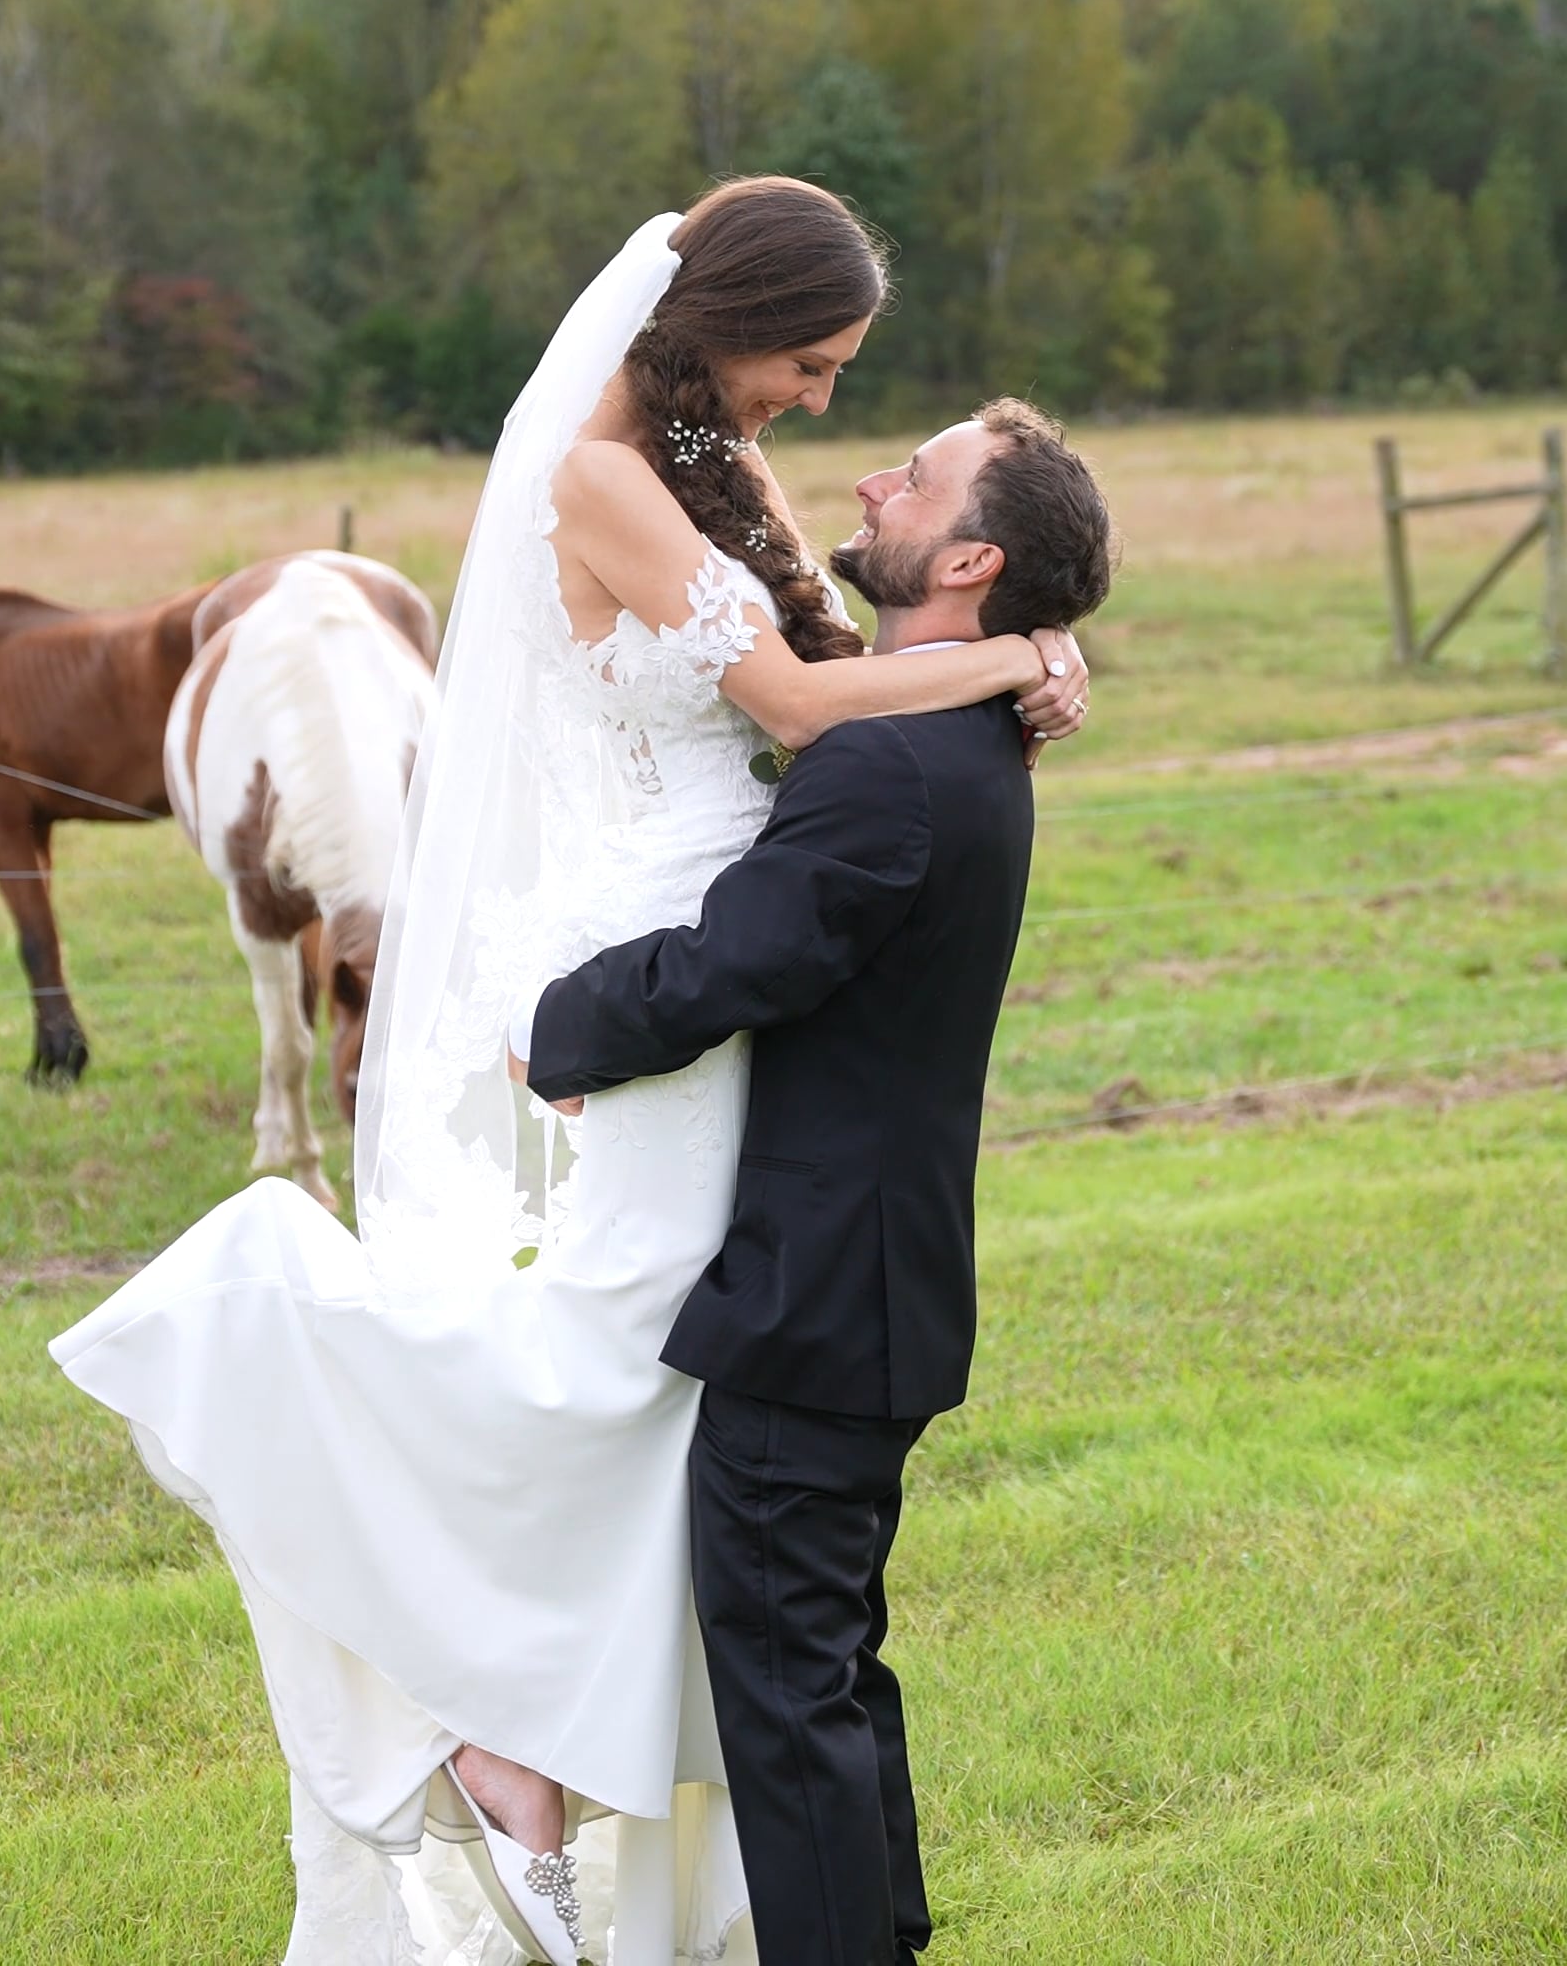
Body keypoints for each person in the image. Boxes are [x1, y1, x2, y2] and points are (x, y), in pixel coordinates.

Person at [49, 178, 1100, 1965]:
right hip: (658, 950)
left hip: (730, 937)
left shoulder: (722, 471)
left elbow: (847, 664)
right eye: (813, 362)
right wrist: (1008, 650)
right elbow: (786, 707)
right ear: (736, 319)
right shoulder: (604, 473)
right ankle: (461, 1666)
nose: (823, 410)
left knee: (671, 1382)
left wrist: (1013, 658)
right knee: (621, 1345)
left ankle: (534, 1750)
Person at [514, 393, 1118, 1965]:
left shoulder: (896, 764)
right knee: (824, 1669)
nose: (873, 473)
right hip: (866, 1283)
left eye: (915, 478)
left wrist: (552, 1027)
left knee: (790, 1692)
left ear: (970, 558)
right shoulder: (943, 725)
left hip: (820, 1295)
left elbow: (743, 958)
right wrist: (1036, 657)